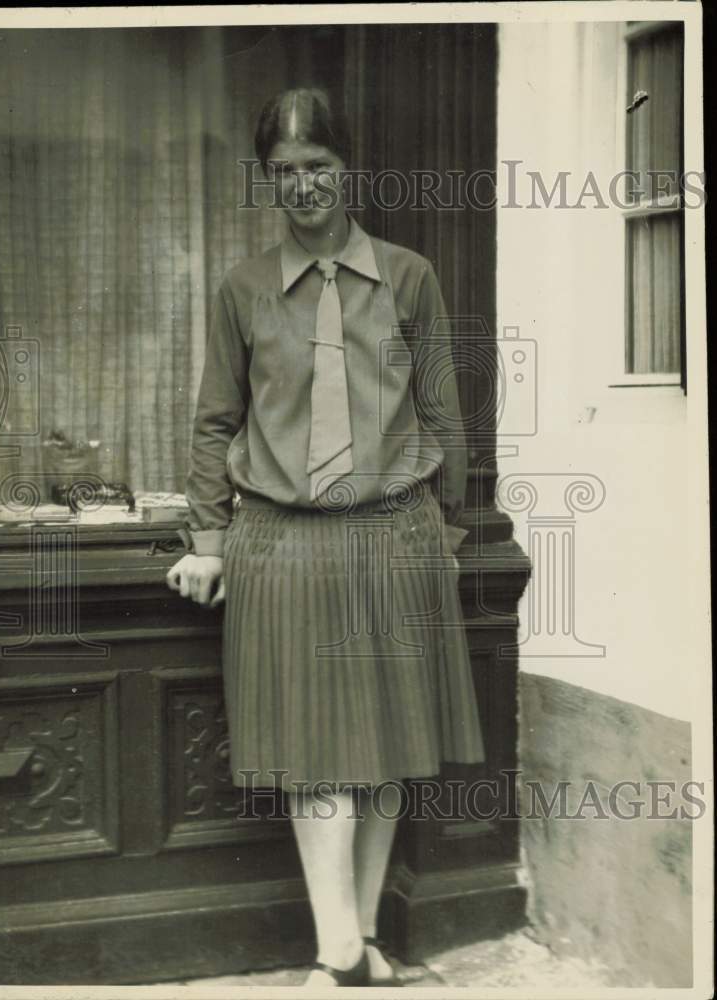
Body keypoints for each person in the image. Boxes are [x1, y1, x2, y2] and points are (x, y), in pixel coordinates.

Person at [167, 87, 485, 988]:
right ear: (265, 182)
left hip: (395, 536)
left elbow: (440, 411)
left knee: (383, 747)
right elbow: (212, 421)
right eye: (284, 173)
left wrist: (448, 527)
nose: (303, 187)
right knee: (316, 751)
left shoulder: (409, 276)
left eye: (318, 169)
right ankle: (335, 946)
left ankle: (361, 944)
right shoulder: (243, 290)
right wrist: (208, 538)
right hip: (287, 541)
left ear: (348, 171)